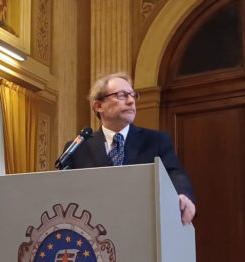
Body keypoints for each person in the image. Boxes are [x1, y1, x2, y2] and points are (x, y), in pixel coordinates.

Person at [63, 72, 196, 225]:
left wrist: (183, 195)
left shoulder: (156, 140)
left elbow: (174, 173)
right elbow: (65, 192)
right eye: (122, 95)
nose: (131, 101)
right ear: (99, 106)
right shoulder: (78, 148)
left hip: (142, 224)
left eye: (133, 95)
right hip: (93, 228)